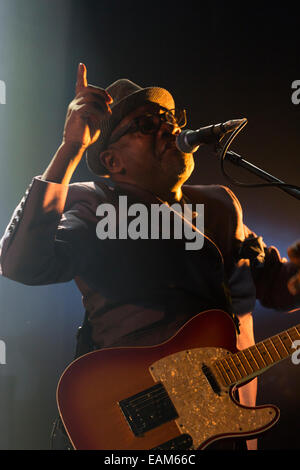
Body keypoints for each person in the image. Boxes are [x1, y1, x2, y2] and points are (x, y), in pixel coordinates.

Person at [0, 63, 299, 451]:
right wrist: (70, 149)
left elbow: (277, 288)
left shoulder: (220, 205)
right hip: (140, 426)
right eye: (146, 125)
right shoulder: (96, 202)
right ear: (112, 161)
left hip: (224, 427)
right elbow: (23, 263)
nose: (170, 129)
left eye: (170, 119)